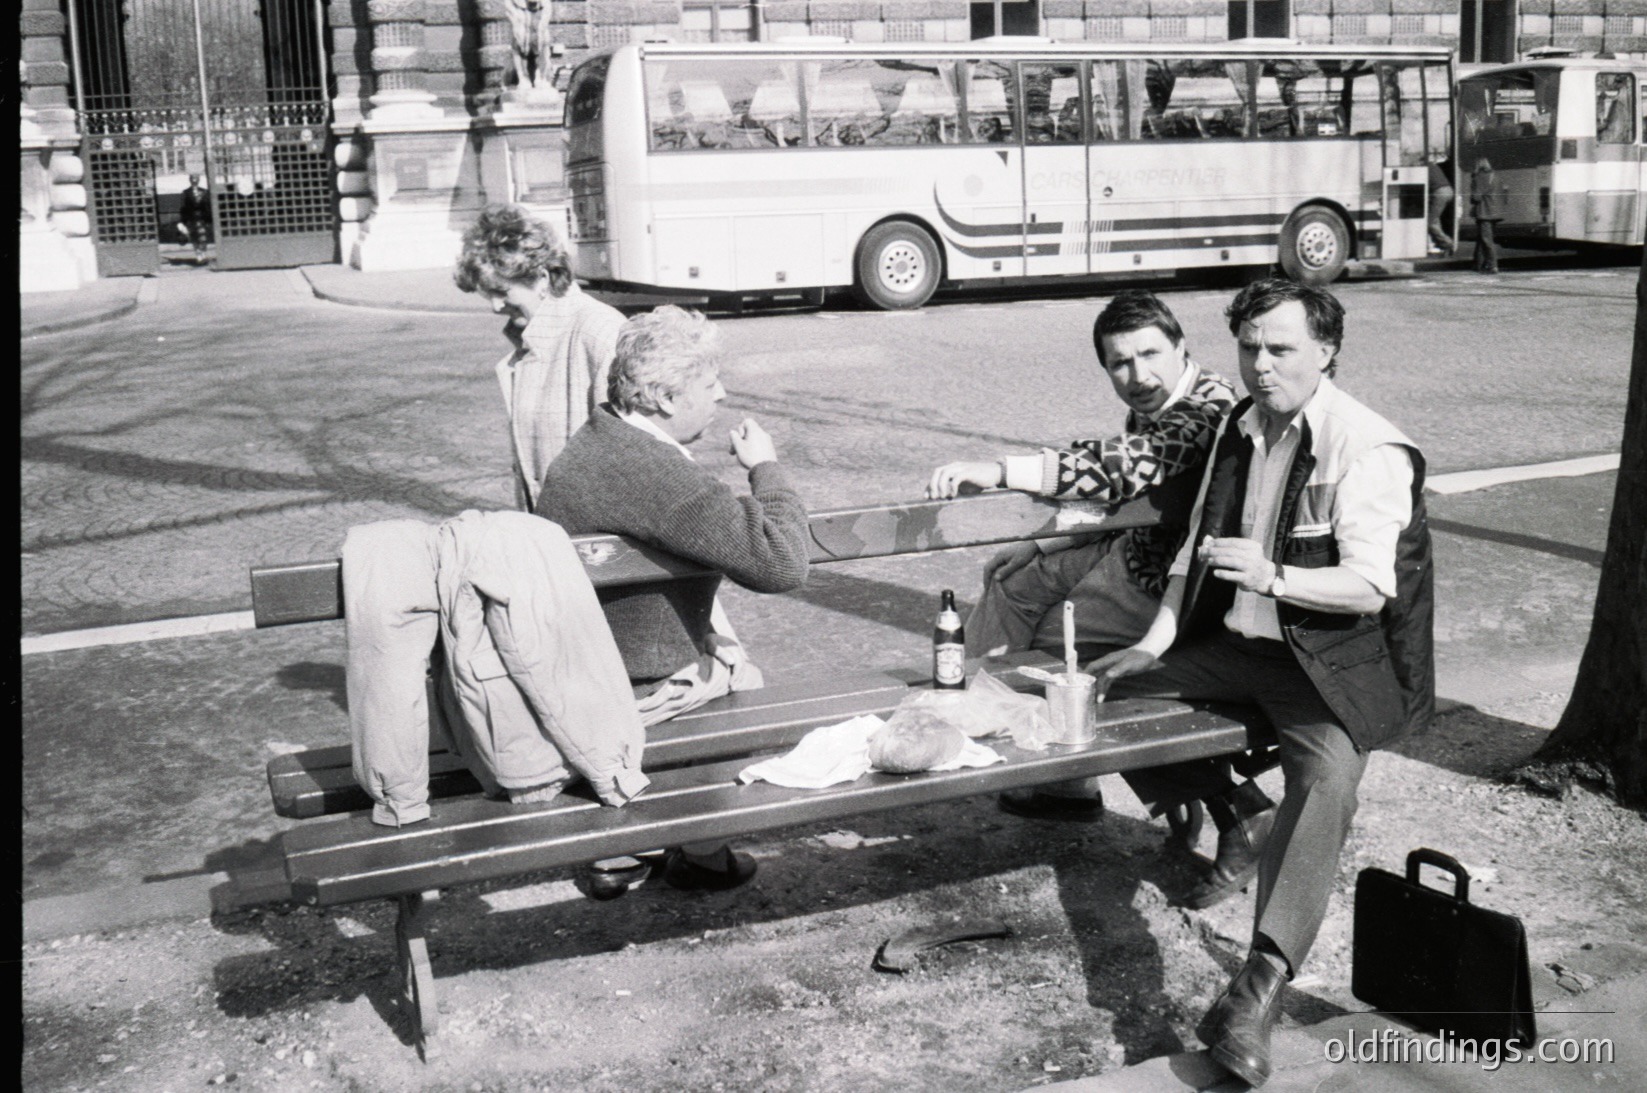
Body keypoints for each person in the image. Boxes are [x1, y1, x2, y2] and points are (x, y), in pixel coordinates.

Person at [1092, 279, 1434, 1087]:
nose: (1260, 363)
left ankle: (1257, 987)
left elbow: (1370, 586)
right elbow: (1190, 555)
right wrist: (1151, 644)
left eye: (1280, 348)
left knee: (1326, 786)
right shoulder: (1238, 428)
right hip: (1234, 647)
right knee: (1103, 699)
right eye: (1249, 346)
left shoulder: (1368, 445)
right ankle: (1241, 813)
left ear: (1326, 351)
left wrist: (1275, 577)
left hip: (1324, 664)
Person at [926, 290, 1237, 820]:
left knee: (1050, 654)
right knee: (1010, 580)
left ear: (1181, 347)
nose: (1137, 375)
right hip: (1128, 548)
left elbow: (1121, 469)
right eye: (1120, 363)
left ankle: (1027, 761)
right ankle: (981, 734)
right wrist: (1036, 543)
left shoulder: (1205, 409)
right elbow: (1117, 500)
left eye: (1150, 354)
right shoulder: (1161, 397)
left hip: (1168, 583)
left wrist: (1000, 471)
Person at [536, 305, 810, 892]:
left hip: (580, 675)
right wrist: (766, 468)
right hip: (635, 691)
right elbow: (783, 562)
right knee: (743, 677)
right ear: (663, 398)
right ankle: (699, 850)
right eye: (709, 385)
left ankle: (623, 851)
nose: (722, 394)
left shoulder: (592, 445)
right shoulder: (656, 475)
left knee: (722, 642)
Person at [453, 203, 625, 511]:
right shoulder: (532, 341)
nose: (494, 306)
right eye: (487, 295)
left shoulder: (599, 332)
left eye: (501, 291)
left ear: (542, 278)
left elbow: (630, 455)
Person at [1469, 157, 1505, 275]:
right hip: (1496, 212)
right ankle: (1478, 263)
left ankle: (1493, 265)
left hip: (1485, 212)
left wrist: (1472, 195)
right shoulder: (1496, 176)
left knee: (1486, 240)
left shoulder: (1480, 177)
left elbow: (1476, 197)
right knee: (1482, 238)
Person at [178, 174, 211, 263]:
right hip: (191, 218)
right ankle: (198, 253)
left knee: (203, 236)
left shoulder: (204, 191)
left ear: (199, 180)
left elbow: (207, 206)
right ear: (190, 180)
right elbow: (183, 207)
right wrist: (182, 221)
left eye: (196, 179)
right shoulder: (186, 192)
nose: (194, 180)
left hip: (202, 218)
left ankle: (202, 251)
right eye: (193, 179)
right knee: (194, 236)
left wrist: (209, 219)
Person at [1426, 158, 1454, 255]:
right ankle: (1443, 247)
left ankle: (1447, 243)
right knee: (1435, 219)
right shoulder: (1433, 166)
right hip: (1448, 191)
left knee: (1429, 222)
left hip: (1439, 193)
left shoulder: (1424, 167)